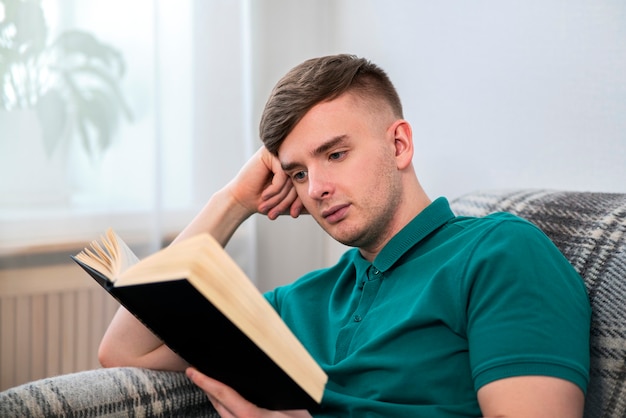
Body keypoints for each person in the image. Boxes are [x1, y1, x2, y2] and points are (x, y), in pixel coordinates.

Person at [98, 54, 591, 417]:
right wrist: (231, 202)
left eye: (334, 154)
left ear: (399, 144)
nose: (317, 188)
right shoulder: (306, 301)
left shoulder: (499, 252)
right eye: (296, 173)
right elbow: (124, 351)